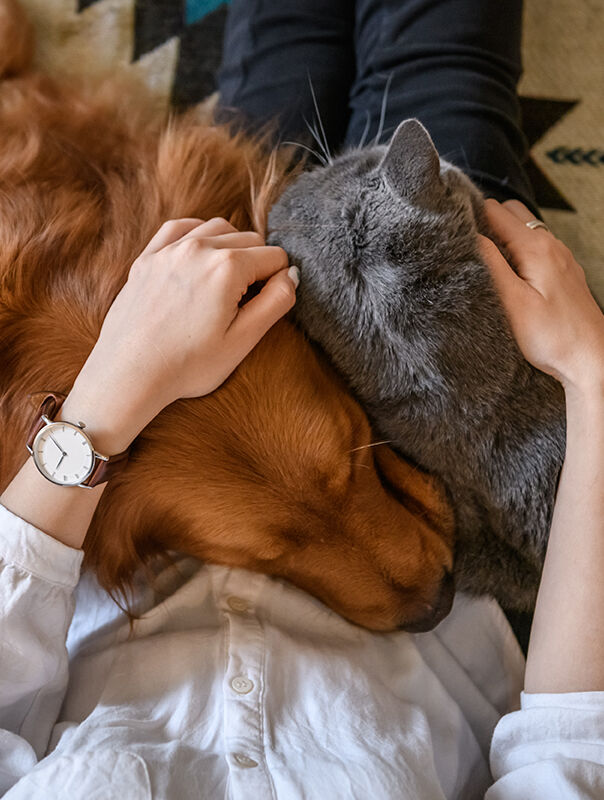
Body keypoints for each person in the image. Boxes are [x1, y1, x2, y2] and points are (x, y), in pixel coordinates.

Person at [1, 2, 603, 798]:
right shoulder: (415, 573)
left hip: (147, 409)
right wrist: (590, 379)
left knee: (280, 44)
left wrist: (105, 394)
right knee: (443, 65)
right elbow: (568, 757)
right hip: (438, 416)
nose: (408, 583)